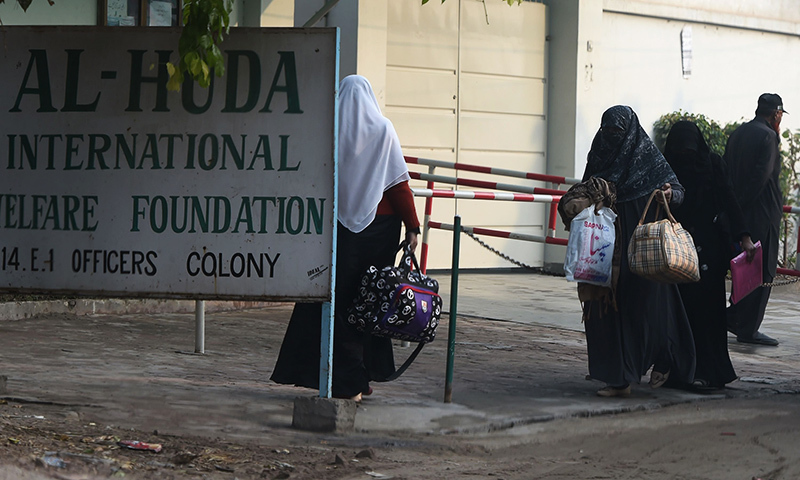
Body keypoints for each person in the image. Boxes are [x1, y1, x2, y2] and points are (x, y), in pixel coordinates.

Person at [270, 75, 421, 402]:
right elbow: (398, 184)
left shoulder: (328, 130)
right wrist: (413, 227)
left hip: (334, 230)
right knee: (367, 303)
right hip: (378, 233)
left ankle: (329, 376)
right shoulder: (383, 130)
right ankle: (357, 379)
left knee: (329, 300)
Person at [580, 105, 696, 397]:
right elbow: (583, 189)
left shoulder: (646, 158)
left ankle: (663, 361)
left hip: (642, 254)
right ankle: (617, 378)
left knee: (642, 311)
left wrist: (669, 193)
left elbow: (679, 190)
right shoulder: (599, 154)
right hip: (604, 250)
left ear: (630, 133)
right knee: (604, 311)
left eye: (618, 133)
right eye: (608, 132)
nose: (612, 138)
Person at [664, 121, 756, 390]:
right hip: (678, 249)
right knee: (683, 313)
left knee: (709, 314)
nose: (686, 152)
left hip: (709, 250)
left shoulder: (713, 164)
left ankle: (708, 371)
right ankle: (682, 370)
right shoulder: (666, 167)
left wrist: (744, 237)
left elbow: (729, 199)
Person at [725, 93, 787, 346]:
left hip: (739, 213)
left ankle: (736, 318)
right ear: (776, 114)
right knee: (763, 271)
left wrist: (735, 209)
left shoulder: (738, 133)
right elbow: (761, 178)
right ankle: (745, 326)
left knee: (744, 269)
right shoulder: (769, 136)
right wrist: (743, 204)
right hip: (761, 214)